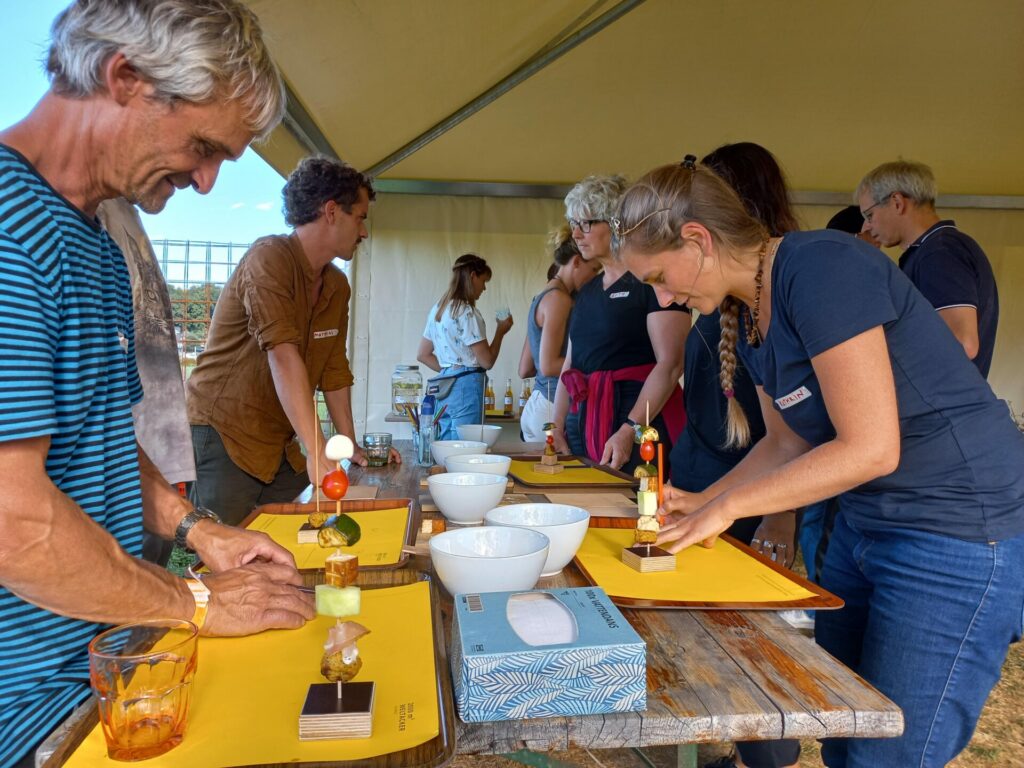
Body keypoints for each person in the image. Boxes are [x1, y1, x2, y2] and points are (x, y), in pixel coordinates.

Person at [616, 160, 1024, 768]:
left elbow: (871, 447)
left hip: (956, 528)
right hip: (864, 526)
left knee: (888, 753)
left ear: (698, 239)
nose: (663, 297)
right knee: (844, 726)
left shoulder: (821, 266)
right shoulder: (747, 311)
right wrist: (704, 501)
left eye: (658, 276)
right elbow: (785, 444)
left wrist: (728, 508)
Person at [0, 3, 314, 767]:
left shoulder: (96, 240)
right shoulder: (10, 232)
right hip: (31, 709)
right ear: (125, 77)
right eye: (203, 147)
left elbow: (103, 436)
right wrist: (196, 601)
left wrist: (196, 529)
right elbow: (13, 521)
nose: (205, 182)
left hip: (109, 669)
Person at [666, 145, 802, 768]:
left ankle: (766, 754)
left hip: (758, 492)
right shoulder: (727, 301)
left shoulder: (790, 291)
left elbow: (801, 437)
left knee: (754, 639)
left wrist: (781, 515)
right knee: (705, 633)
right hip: (711, 475)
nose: (667, 295)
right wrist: (698, 496)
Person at [187, 156, 395, 526]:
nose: (364, 232)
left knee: (298, 540)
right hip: (224, 435)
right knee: (229, 559)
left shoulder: (336, 285)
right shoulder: (269, 258)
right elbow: (283, 356)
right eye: (360, 217)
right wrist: (317, 452)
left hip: (279, 444)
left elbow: (334, 371)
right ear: (331, 211)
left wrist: (350, 447)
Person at [550, 175, 688, 472]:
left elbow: (671, 365)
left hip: (640, 423)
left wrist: (630, 429)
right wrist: (557, 425)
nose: (575, 234)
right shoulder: (586, 291)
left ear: (615, 223)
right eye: (573, 224)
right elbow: (570, 366)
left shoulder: (652, 281)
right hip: (584, 420)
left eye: (585, 223)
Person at [98, 197, 197, 566]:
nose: (203, 184)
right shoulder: (89, 210)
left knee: (149, 580)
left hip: (153, 455)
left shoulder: (126, 213)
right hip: (117, 472)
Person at [856, 160, 999, 377]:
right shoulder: (930, 251)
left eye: (869, 215)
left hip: (946, 405)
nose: (868, 226)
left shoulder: (940, 252)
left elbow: (962, 343)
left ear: (897, 202)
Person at [518, 225, 601, 441]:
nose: (595, 278)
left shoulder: (541, 297)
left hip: (537, 403)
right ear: (575, 262)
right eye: (593, 270)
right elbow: (548, 365)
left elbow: (525, 368)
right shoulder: (559, 299)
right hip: (552, 405)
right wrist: (596, 366)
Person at [417, 254, 513, 440]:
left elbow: (423, 354)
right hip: (467, 387)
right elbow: (487, 361)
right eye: (484, 281)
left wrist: (452, 371)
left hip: (444, 386)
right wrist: (501, 331)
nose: (484, 288)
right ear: (472, 276)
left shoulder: (438, 309)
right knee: (466, 446)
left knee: (445, 445)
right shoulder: (467, 312)